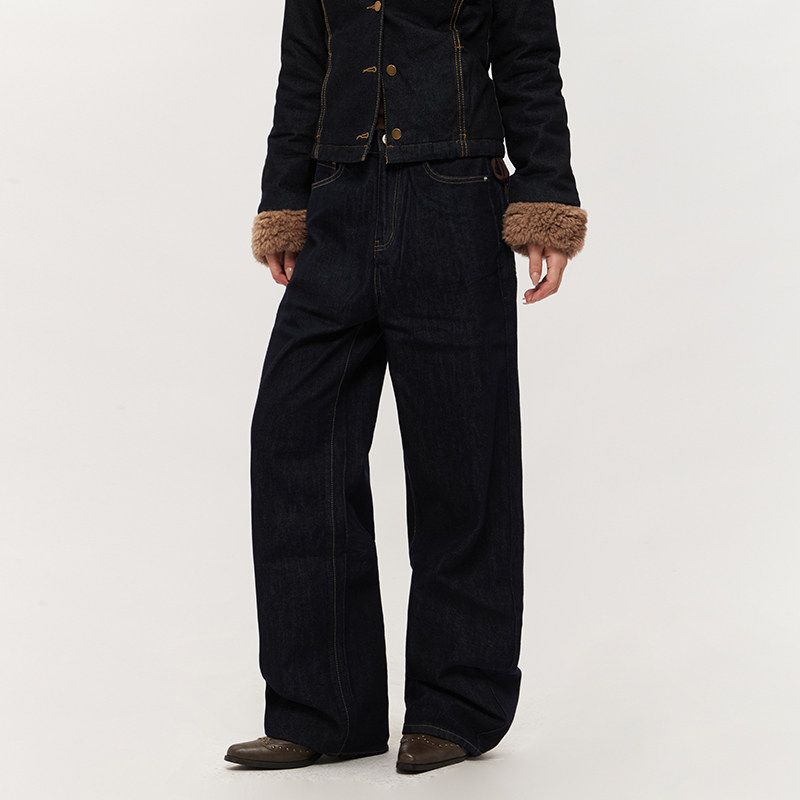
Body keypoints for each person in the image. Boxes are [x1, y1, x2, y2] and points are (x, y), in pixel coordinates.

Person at [225, 0, 587, 774]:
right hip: (337, 202)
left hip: (455, 198)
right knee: (293, 441)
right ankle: (324, 709)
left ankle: (456, 706)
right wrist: (285, 197)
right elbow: (304, 67)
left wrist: (546, 198)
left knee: (462, 459)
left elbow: (528, 60)